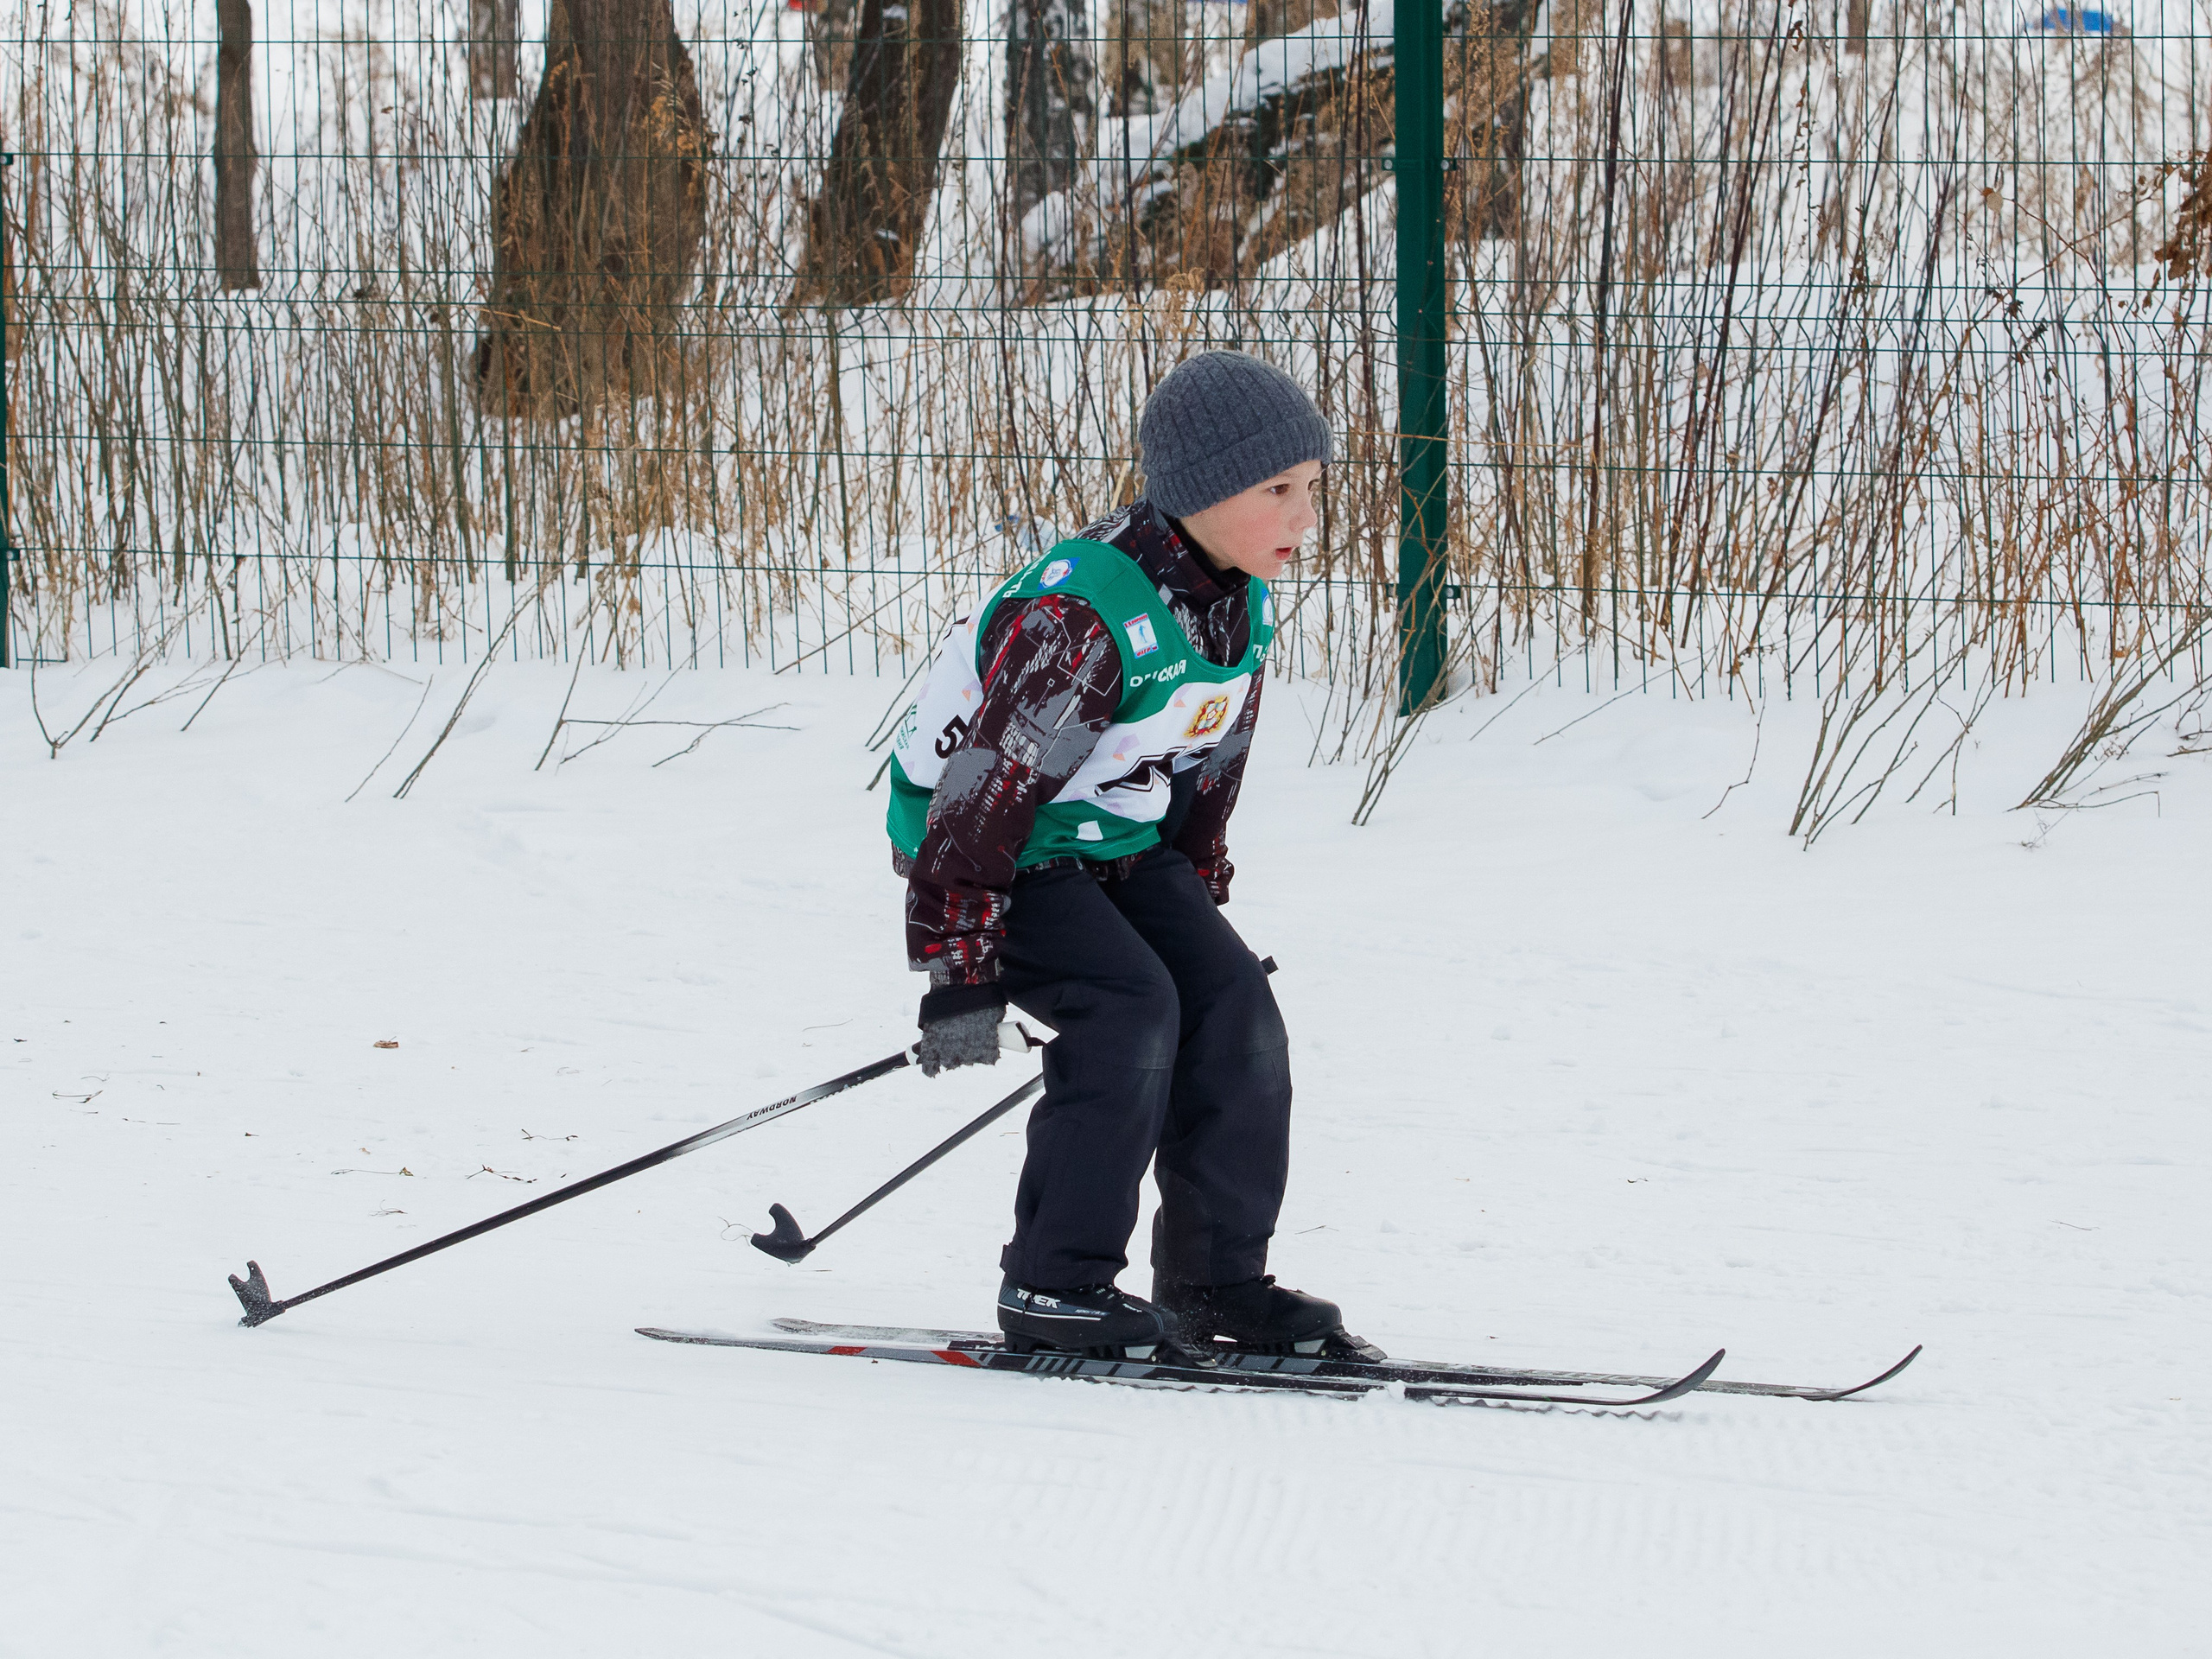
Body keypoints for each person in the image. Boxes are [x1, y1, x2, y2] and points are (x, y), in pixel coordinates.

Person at [883, 350, 1360, 1359]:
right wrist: (960, 974)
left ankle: (1214, 1282)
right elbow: (975, 804)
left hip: (1112, 839)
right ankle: (1053, 1286)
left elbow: (1205, 757)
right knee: (1129, 1010)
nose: (1303, 517)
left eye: (1312, 488)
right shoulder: (1084, 617)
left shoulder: (1235, 597)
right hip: (992, 857)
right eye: (1277, 490)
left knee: (1232, 1005)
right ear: (1197, 488)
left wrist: (1196, 884)